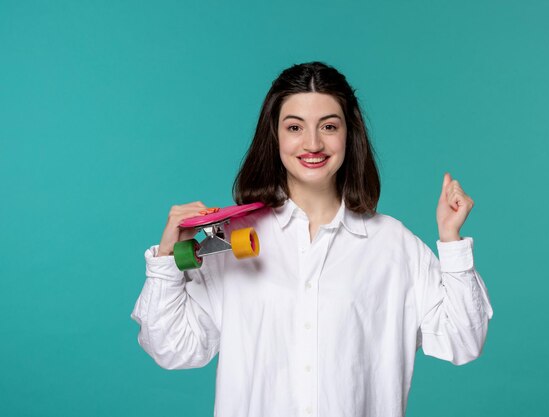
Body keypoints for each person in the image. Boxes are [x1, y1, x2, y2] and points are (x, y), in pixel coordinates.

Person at [131, 62, 493, 417]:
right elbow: (172, 348)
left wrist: (451, 240)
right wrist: (167, 258)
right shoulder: (230, 240)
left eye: (329, 126)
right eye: (294, 127)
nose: (313, 143)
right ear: (274, 136)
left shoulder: (393, 245)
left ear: (349, 135)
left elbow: (462, 340)